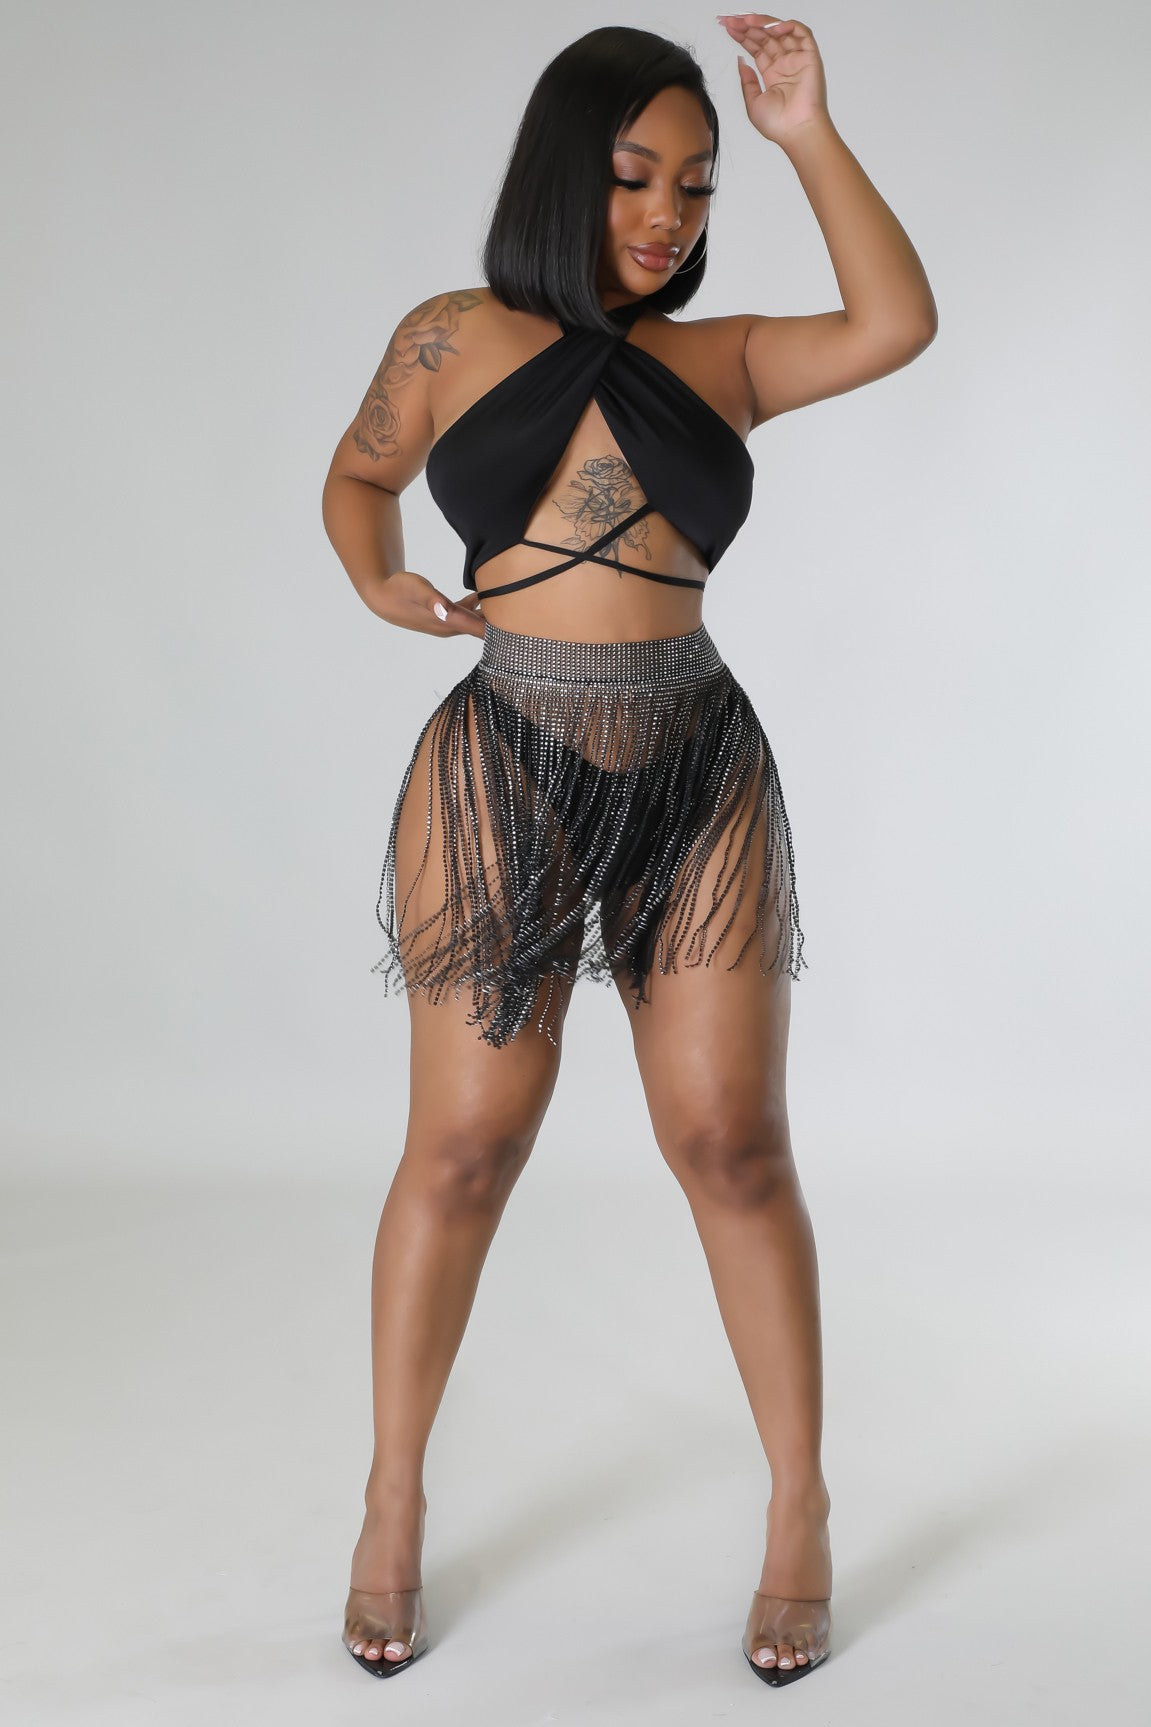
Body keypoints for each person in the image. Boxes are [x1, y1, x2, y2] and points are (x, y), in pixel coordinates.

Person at [321, 12, 936, 1687]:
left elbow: (896, 323)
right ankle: (392, 1499)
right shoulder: (451, 333)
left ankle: (800, 1507)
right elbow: (359, 479)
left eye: (697, 183)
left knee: (731, 1143)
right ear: (558, 174)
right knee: (463, 1150)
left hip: (695, 760)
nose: (668, 213)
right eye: (632, 176)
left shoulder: (720, 358)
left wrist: (805, 134)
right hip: (502, 759)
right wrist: (375, 573)